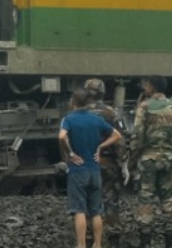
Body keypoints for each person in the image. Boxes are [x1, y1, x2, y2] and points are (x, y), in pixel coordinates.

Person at [60, 87, 123, 248]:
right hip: (94, 169)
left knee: (79, 209)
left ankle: (81, 244)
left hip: (77, 170)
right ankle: (98, 244)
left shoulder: (69, 119)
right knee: (96, 210)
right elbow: (117, 135)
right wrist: (100, 147)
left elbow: (61, 136)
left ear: (73, 101)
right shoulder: (95, 119)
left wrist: (70, 153)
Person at [128, 76, 172, 248]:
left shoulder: (144, 107)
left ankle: (145, 240)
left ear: (152, 87)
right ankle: (170, 240)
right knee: (168, 199)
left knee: (146, 197)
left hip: (148, 159)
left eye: (146, 85)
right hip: (169, 158)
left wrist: (132, 160)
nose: (145, 88)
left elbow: (137, 136)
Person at [83, 78, 128, 248]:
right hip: (107, 163)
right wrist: (123, 163)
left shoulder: (78, 114)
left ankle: (89, 239)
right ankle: (114, 237)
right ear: (103, 93)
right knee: (110, 200)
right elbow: (119, 141)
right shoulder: (111, 113)